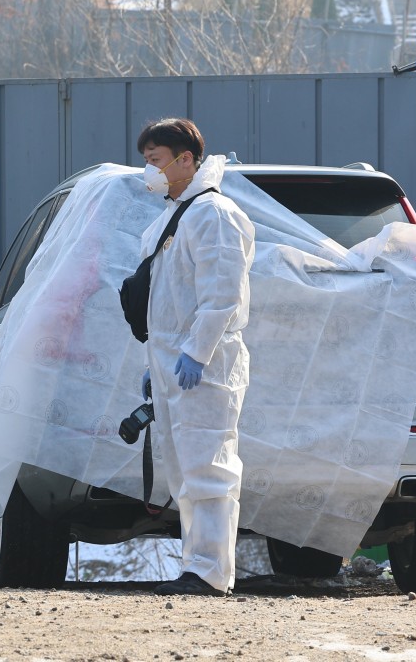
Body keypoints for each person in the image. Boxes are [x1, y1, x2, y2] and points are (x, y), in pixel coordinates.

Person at [135, 118, 255, 597]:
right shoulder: (176, 215)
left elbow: (222, 295)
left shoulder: (213, 214)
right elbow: (168, 298)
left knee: (209, 466)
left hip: (205, 364)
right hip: (174, 362)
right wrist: (156, 361)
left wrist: (197, 352)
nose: (151, 172)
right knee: (186, 470)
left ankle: (208, 572)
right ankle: (197, 565)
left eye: (156, 161)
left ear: (186, 160)